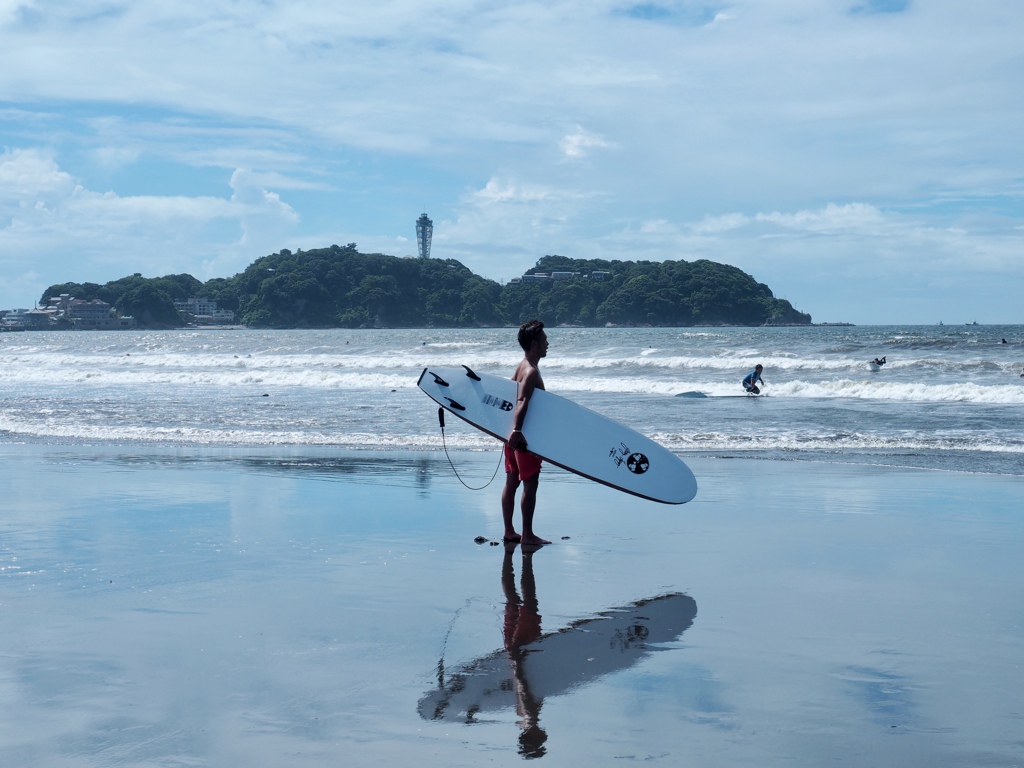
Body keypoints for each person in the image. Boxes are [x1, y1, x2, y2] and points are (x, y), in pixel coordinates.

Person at [501, 319, 551, 546]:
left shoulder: (522, 366)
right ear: (534, 343)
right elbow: (521, 400)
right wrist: (518, 430)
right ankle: (528, 534)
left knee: (512, 482)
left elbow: (508, 395)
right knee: (530, 483)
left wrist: (509, 431)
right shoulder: (530, 371)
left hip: (512, 436)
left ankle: (510, 531)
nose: (547, 343)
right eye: (543, 340)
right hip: (524, 437)